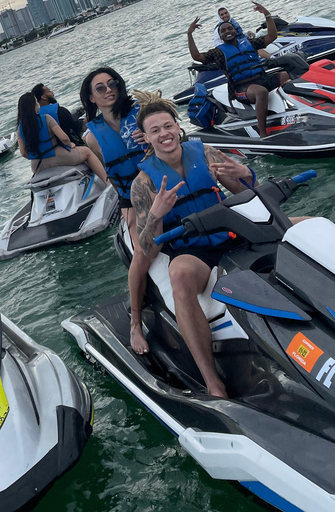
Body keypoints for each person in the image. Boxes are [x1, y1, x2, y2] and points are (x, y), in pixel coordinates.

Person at [129, 93, 258, 398]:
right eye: (155, 130)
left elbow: (246, 194)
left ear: (178, 126)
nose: (164, 134)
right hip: (191, 249)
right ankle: (212, 381)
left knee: (301, 224)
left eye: (167, 126)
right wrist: (157, 215)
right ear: (146, 138)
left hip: (228, 230)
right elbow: (148, 247)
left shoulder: (205, 153)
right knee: (178, 276)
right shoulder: (143, 183)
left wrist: (246, 175)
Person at [79, 68, 151, 355]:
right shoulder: (91, 137)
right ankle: (135, 322)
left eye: (113, 84)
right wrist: (124, 201)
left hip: (160, 184)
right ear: (91, 97)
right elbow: (105, 172)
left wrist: (151, 141)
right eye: (100, 88)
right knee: (142, 252)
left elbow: (173, 137)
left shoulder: (142, 113)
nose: (108, 90)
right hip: (130, 198)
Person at [188, 2, 298, 138]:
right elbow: (197, 56)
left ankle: (297, 109)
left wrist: (267, 15)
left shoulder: (248, 43)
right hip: (241, 87)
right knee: (261, 92)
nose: (227, 32)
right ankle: (263, 133)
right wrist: (190, 34)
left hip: (262, 78)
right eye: (223, 31)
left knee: (288, 75)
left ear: (235, 30)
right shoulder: (218, 53)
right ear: (220, 36)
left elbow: (272, 37)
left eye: (229, 29)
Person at [16, 92, 108, 185]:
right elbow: (64, 138)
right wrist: (70, 144)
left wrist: (37, 156)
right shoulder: (46, 118)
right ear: (33, 106)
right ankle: (107, 182)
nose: (38, 105)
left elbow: (23, 153)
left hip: (37, 166)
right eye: (36, 102)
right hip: (58, 156)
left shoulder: (20, 128)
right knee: (87, 152)